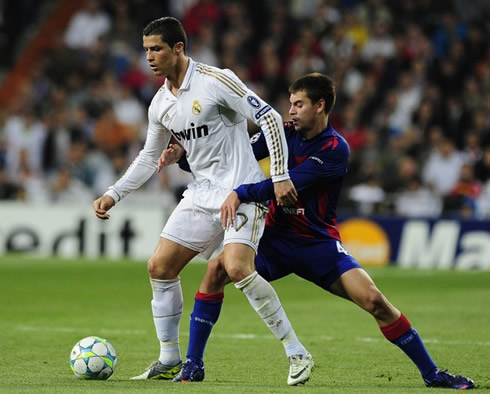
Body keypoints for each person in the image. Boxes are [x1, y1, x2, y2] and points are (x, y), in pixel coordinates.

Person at [161, 73, 475, 389]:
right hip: (274, 239)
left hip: (316, 245)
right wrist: (185, 159)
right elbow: (231, 156)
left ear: (320, 105)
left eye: (299, 104)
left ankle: (432, 374)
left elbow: (288, 184)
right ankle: (193, 364)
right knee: (216, 271)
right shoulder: (281, 133)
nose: (291, 111)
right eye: (290, 104)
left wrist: (241, 192)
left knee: (375, 301)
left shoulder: (335, 148)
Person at [92, 16, 314, 386]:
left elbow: (271, 119)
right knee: (160, 267)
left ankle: (297, 352)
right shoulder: (161, 102)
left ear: (178, 48)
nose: (149, 56)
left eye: (157, 48)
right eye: (145, 49)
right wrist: (114, 193)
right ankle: (169, 358)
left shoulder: (216, 80)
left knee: (238, 268)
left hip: (241, 191)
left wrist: (279, 176)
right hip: (201, 194)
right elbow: (149, 156)